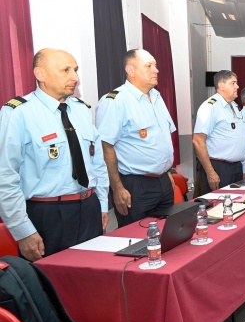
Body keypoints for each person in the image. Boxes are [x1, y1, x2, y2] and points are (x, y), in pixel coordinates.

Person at [0, 49, 108, 261]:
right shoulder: (18, 113)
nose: (75, 77)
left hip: (88, 208)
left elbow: (97, 164)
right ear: (40, 74)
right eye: (66, 70)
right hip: (46, 214)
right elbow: (5, 176)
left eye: (75, 70)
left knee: (91, 280)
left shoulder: (81, 110)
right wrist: (23, 231)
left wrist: (102, 204)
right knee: (50, 287)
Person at [96, 49, 177, 227]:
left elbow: (161, 140)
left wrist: (167, 172)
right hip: (135, 186)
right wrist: (117, 188)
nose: (156, 70)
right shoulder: (115, 101)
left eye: (155, 65)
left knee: (166, 236)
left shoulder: (156, 97)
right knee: (137, 241)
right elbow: (105, 147)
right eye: (149, 66)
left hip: (163, 182)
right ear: (130, 70)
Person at [193, 71, 245, 195]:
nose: (237, 86)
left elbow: (241, 139)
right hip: (219, 168)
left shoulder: (234, 106)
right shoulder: (210, 107)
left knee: (237, 205)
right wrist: (210, 172)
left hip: (236, 167)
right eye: (233, 83)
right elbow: (198, 140)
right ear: (221, 85)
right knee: (218, 208)